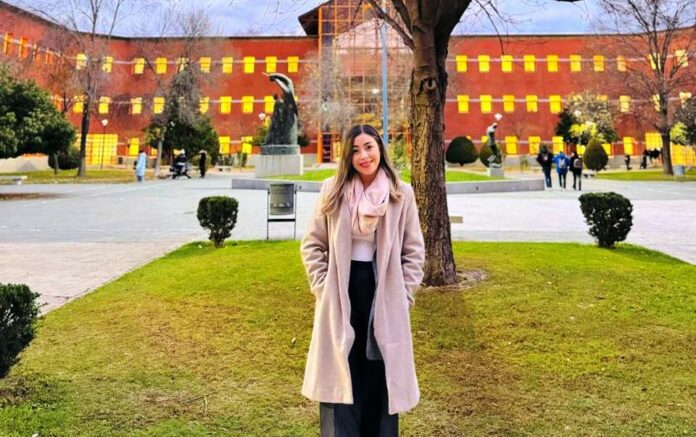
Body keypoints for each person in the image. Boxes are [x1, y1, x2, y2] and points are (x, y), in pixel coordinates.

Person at [301, 124, 425, 436]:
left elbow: (413, 252)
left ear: (379, 148)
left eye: (368, 147)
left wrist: (404, 295)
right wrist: (322, 288)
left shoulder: (400, 193)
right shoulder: (333, 190)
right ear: (348, 156)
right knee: (343, 364)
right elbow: (312, 244)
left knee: (380, 368)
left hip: (384, 290)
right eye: (355, 150)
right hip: (341, 289)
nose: (363, 156)